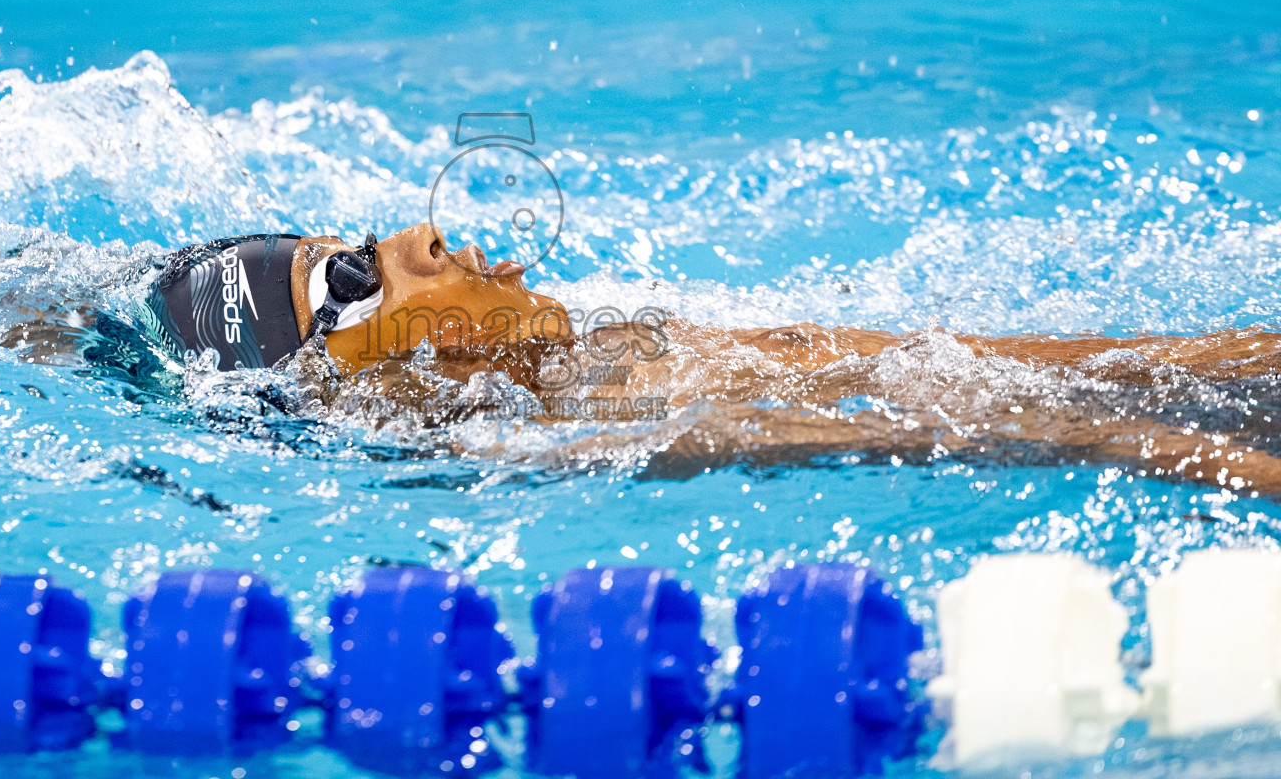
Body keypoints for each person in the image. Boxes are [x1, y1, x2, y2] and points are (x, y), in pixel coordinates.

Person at [125, 223, 1281, 496]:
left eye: (354, 236)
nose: (418, 237)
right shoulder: (584, 439)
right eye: (353, 281)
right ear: (353, 378)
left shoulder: (630, 344)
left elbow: (1097, 363)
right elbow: (1055, 431)